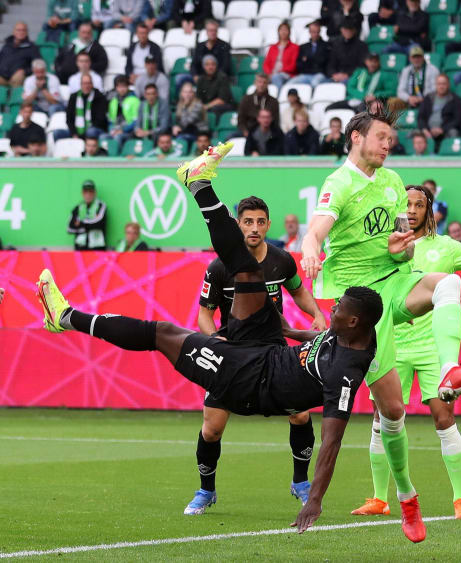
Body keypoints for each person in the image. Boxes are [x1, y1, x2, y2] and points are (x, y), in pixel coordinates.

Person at [37, 152, 388, 537]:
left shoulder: (344, 375)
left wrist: (316, 500)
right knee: (247, 268)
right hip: (267, 347)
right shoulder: (358, 332)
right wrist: (290, 330)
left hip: (249, 379)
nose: (331, 308)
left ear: (353, 321)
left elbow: (332, 442)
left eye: (338, 309)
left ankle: (65, 317)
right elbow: (320, 336)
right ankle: (198, 182)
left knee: (161, 333)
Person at [297, 108, 461, 540]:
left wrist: (400, 246)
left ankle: (449, 369)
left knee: (448, 284)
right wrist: (310, 248)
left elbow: (404, 248)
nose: (388, 145)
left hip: (395, 282)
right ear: (356, 137)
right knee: (392, 411)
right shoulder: (339, 183)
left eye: (391, 139)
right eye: (381, 137)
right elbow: (315, 230)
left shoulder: (392, 182)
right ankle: (407, 498)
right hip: (361, 307)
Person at [351, 185, 461, 520]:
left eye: (419, 204)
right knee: (381, 419)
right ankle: (379, 499)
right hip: (392, 344)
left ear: (429, 210)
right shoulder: (386, 247)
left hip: (431, 348)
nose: (412, 210)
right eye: (407, 204)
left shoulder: (447, 247)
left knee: (444, 418)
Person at [189, 194, 326, 515]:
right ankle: (206, 491)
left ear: (268, 225)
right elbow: (204, 314)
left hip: (274, 353)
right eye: (248, 222)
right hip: (232, 355)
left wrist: (317, 314)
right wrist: (216, 341)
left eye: (260, 222)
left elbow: (299, 291)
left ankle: (300, 482)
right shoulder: (219, 267)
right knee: (212, 428)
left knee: (300, 414)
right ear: (238, 225)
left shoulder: (281, 260)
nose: (254, 228)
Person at [418, 74, 461, 152]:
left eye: (444, 84)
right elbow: (420, 117)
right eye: (439, 84)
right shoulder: (428, 98)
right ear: (436, 85)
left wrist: (442, 129)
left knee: (453, 133)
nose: (441, 86)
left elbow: (458, 120)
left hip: (445, 130)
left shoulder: (455, 99)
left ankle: (449, 155)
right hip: (428, 130)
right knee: (414, 134)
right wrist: (425, 129)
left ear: (448, 85)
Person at [287, 20, 332, 89]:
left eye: (317, 32)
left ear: (320, 32)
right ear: (309, 32)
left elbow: (325, 62)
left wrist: (307, 59)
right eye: (313, 32)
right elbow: (299, 64)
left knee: (315, 83)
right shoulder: (303, 47)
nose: (315, 34)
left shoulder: (326, 46)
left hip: (320, 74)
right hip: (305, 74)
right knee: (290, 84)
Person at [394, 46, 439, 110]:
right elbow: (400, 90)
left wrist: (422, 99)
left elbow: (435, 89)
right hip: (409, 100)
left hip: (426, 100)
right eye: (414, 57)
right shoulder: (406, 70)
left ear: (423, 57)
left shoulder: (433, 70)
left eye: (418, 57)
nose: (416, 60)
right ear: (410, 58)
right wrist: (409, 98)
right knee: (393, 102)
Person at [327, 16, 369, 84]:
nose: (348, 32)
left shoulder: (361, 46)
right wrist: (334, 74)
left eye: (350, 29)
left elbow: (362, 66)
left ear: (354, 30)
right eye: (345, 29)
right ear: (341, 30)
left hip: (354, 76)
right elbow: (331, 64)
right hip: (337, 76)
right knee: (323, 84)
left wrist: (347, 74)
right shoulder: (336, 45)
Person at [67, 180, 107, 250]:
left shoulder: (101, 206)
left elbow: (99, 224)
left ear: (95, 193)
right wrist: (88, 226)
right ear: (82, 193)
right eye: (85, 192)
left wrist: (80, 223)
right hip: (80, 248)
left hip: (97, 248)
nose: (88, 194)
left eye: (90, 192)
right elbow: (70, 228)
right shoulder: (78, 208)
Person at [66, 74, 109, 139]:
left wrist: (81, 136)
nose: (86, 86)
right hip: (76, 131)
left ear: (92, 84)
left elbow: (100, 120)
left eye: (88, 83)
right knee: (58, 133)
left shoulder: (99, 97)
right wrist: (74, 133)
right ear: (80, 84)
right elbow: (69, 119)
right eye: (84, 83)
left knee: (91, 131)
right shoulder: (73, 97)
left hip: (95, 129)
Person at [191, 20, 233, 85]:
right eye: (210, 30)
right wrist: (195, 75)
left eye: (214, 30)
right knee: (182, 78)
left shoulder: (224, 46)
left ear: (217, 32)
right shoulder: (200, 46)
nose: (212, 33)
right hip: (201, 77)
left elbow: (225, 66)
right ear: (206, 32)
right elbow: (194, 64)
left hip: (218, 78)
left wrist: (212, 77)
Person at [106, 75, 141, 146]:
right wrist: (112, 130)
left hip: (130, 131)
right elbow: (111, 121)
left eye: (124, 86)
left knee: (117, 137)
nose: (122, 89)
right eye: (119, 87)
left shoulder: (135, 100)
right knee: (103, 137)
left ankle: (116, 153)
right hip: (116, 129)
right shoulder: (113, 101)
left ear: (128, 87)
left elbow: (136, 121)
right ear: (116, 88)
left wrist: (123, 130)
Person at [264, 21, 298, 89]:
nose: (283, 32)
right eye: (281, 30)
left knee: (276, 77)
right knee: (260, 79)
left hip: (287, 74)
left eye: (285, 30)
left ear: (289, 32)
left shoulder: (294, 47)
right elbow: (266, 64)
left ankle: (278, 95)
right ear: (278, 32)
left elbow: (294, 65)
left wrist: (280, 71)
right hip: (272, 74)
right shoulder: (272, 47)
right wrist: (269, 73)